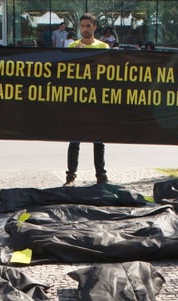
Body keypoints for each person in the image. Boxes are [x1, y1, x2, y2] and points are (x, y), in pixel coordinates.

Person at [64, 14, 108, 187]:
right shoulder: (72, 46)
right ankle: (70, 176)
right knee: (74, 139)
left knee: (99, 139)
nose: (85, 29)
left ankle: (101, 175)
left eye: (88, 26)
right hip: (78, 99)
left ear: (94, 27)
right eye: (82, 26)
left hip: (97, 99)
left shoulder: (103, 47)